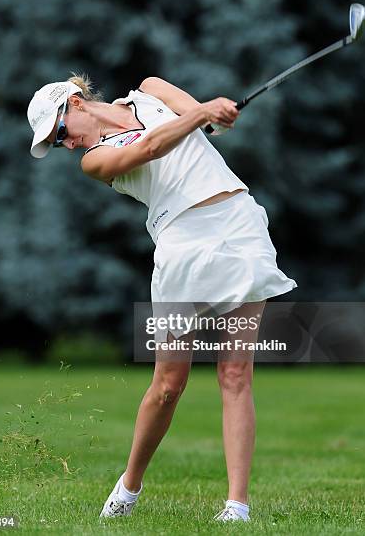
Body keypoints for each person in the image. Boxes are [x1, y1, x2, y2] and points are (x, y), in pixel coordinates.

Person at [27, 74, 297, 522]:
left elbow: (209, 124)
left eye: (59, 133)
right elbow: (152, 148)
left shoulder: (150, 89)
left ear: (75, 102)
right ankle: (130, 484)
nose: (66, 145)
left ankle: (237, 507)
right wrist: (203, 112)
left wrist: (219, 117)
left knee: (235, 373)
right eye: (58, 144)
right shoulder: (95, 160)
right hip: (181, 244)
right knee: (169, 384)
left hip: (239, 224)